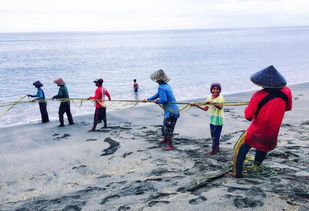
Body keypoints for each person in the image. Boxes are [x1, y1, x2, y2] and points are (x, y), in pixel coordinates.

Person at [231, 65, 292, 178]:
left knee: (239, 149)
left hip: (257, 130)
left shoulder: (258, 95)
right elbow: (287, 108)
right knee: (263, 146)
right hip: (273, 130)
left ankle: (238, 173)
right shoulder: (287, 92)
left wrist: (249, 106)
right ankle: (257, 165)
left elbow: (248, 116)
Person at [141, 69, 180, 151]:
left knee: (168, 128)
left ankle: (170, 145)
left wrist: (157, 101)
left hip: (171, 112)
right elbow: (157, 95)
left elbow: (164, 100)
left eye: (156, 79)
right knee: (165, 125)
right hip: (174, 110)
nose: (156, 81)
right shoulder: (166, 85)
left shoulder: (161, 88)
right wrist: (147, 99)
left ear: (158, 80)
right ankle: (165, 140)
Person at [191, 82, 225, 155]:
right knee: (213, 134)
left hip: (219, 119)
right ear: (211, 90)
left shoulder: (221, 98)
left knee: (216, 135)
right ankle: (217, 147)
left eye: (217, 89)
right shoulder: (209, 97)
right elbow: (206, 108)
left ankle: (214, 150)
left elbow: (220, 107)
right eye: (213, 89)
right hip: (212, 119)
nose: (215, 90)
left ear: (220, 90)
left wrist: (211, 102)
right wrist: (196, 105)